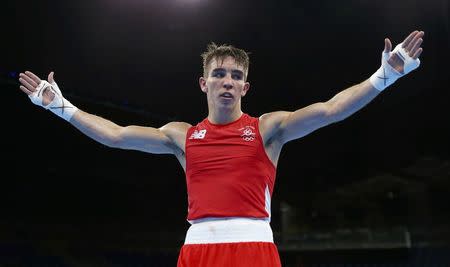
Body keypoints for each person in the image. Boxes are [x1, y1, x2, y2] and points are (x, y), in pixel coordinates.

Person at [18, 30, 424, 266]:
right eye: (218, 74)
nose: (227, 80)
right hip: (198, 250)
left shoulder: (268, 128)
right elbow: (115, 134)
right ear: (204, 83)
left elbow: (332, 110)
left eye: (235, 75)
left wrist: (383, 77)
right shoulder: (182, 136)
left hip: (254, 248)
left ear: (245, 87)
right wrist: (61, 107)